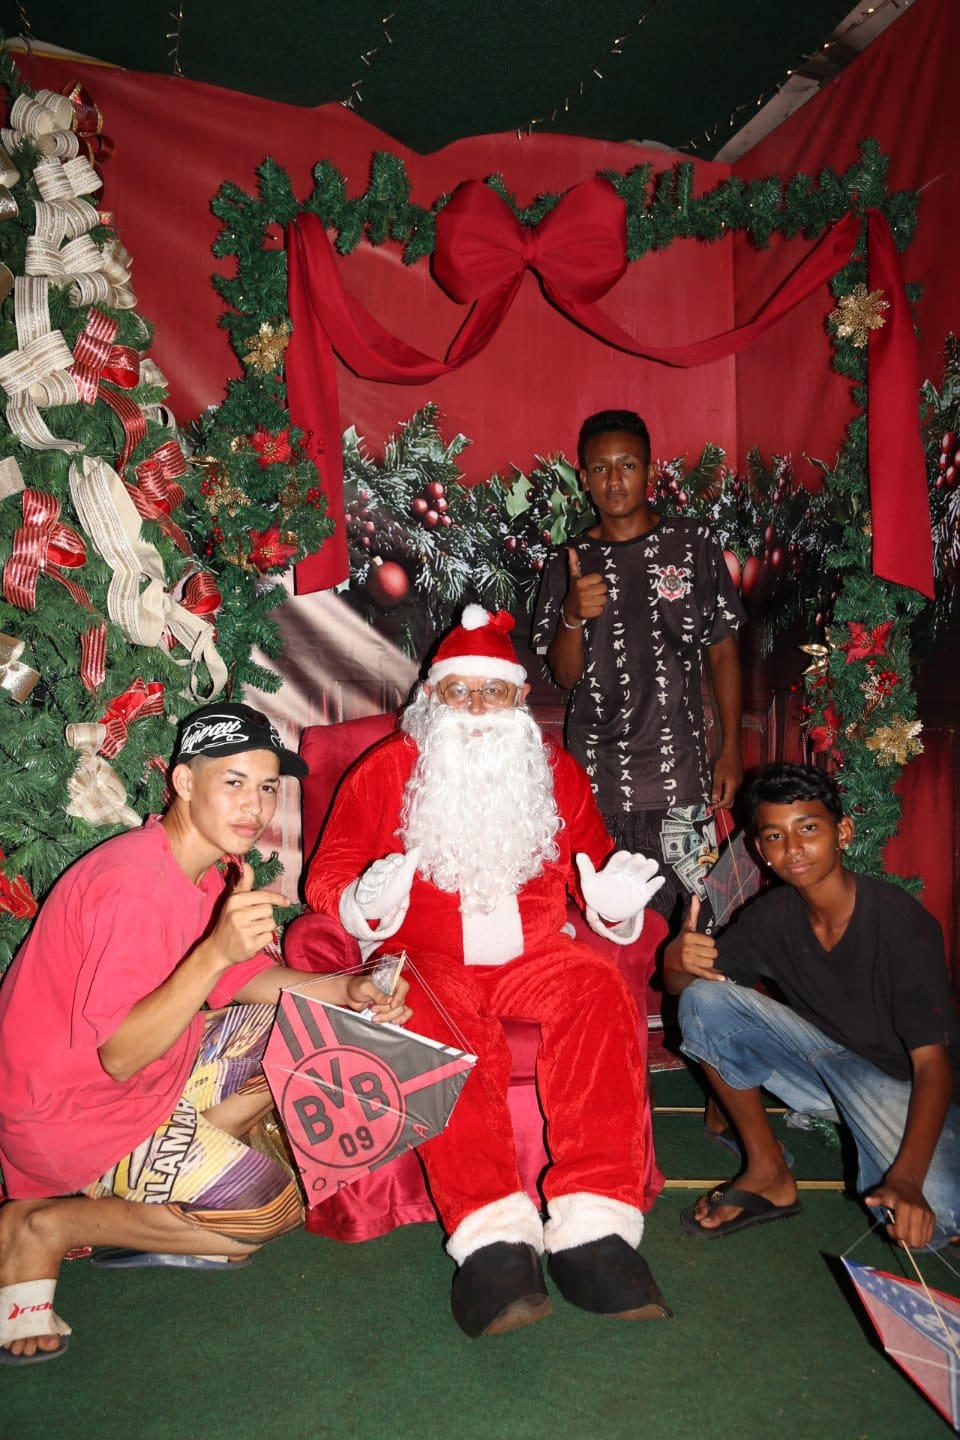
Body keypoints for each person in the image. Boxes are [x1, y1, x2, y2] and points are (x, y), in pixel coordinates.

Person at [0, 702, 410, 1365]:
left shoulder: (197, 866)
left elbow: (244, 976)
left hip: (136, 1084)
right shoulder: (133, 885)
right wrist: (215, 952)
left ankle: (182, 1153)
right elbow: (121, 1056)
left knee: (308, 1025)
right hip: (73, 1118)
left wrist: (349, 991)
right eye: (234, 782)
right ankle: (47, 1224)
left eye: (268, 787)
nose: (256, 806)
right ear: (184, 782)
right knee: (270, 1211)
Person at [306, 605, 672, 1338]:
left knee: (597, 987)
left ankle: (595, 1224)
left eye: (493, 692)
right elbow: (329, 875)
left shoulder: (552, 770)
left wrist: (611, 906)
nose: (476, 708)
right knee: (434, 1012)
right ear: (431, 696)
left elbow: (593, 867)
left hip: (532, 951)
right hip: (425, 954)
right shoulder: (387, 769)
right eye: (459, 691)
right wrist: (364, 900)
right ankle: (491, 1237)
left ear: (518, 698)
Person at [663, 762, 960, 1250]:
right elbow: (698, 995)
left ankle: (887, 1152)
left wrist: (906, 1178)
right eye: (775, 836)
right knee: (702, 998)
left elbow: (933, 1066)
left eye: (808, 829)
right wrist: (675, 963)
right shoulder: (772, 916)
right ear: (761, 851)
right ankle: (768, 1170)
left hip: (897, 1087)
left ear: (842, 832)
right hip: (819, 1066)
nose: (793, 848)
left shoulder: (900, 924)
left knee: (934, 1222)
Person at [531, 408, 746, 926]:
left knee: (696, 923)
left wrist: (731, 749)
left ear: (650, 470)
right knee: (607, 925)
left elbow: (722, 650)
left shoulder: (694, 544)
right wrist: (571, 614)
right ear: (583, 477)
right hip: (596, 777)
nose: (614, 480)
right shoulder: (569, 562)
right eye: (599, 468)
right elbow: (563, 676)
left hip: (681, 771)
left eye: (626, 465)